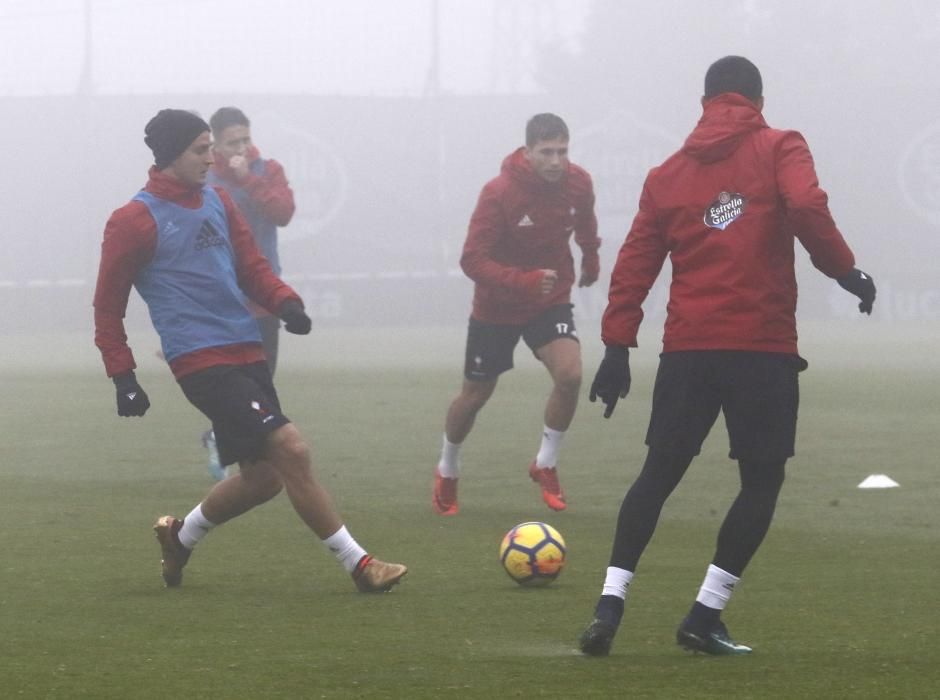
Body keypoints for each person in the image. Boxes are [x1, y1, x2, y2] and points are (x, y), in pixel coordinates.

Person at [577, 57, 876, 656]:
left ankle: (610, 604)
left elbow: (636, 262)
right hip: (760, 349)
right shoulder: (779, 146)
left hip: (688, 349)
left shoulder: (668, 173)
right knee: (761, 481)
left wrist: (616, 345)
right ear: (758, 99)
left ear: (705, 99)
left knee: (657, 476)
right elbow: (807, 207)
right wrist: (844, 271)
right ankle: (703, 614)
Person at [93, 108, 407, 593]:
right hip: (201, 362)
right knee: (292, 449)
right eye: (201, 149)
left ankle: (182, 536)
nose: (213, 157)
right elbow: (107, 307)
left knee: (264, 479)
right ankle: (360, 564)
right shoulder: (133, 220)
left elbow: (251, 266)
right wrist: (123, 377)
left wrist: (286, 303)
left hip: (247, 350)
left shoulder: (218, 200)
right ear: (174, 154)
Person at [432, 113, 601, 515]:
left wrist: (591, 257)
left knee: (571, 375)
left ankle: (545, 463)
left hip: (550, 298)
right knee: (475, 396)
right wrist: (522, 281)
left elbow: (586, 221)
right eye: (547, 152)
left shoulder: (579, 181)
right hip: (497, 305)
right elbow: (472, 260)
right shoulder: (499, 192)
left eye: (562, 151)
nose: (557, 161)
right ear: (527, 153)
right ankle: (448, 468)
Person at [200, 106, 296, 481]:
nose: (241, 147)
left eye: (245, 139)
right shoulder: (206, 180)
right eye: (232, 142)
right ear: (216, 146)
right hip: (222, 297)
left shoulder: (267, 171)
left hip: (263, 295)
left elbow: (283, 212)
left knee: (262, 381)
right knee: (229, 382)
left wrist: (248, 179)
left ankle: (224, 441)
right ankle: (247, 458)